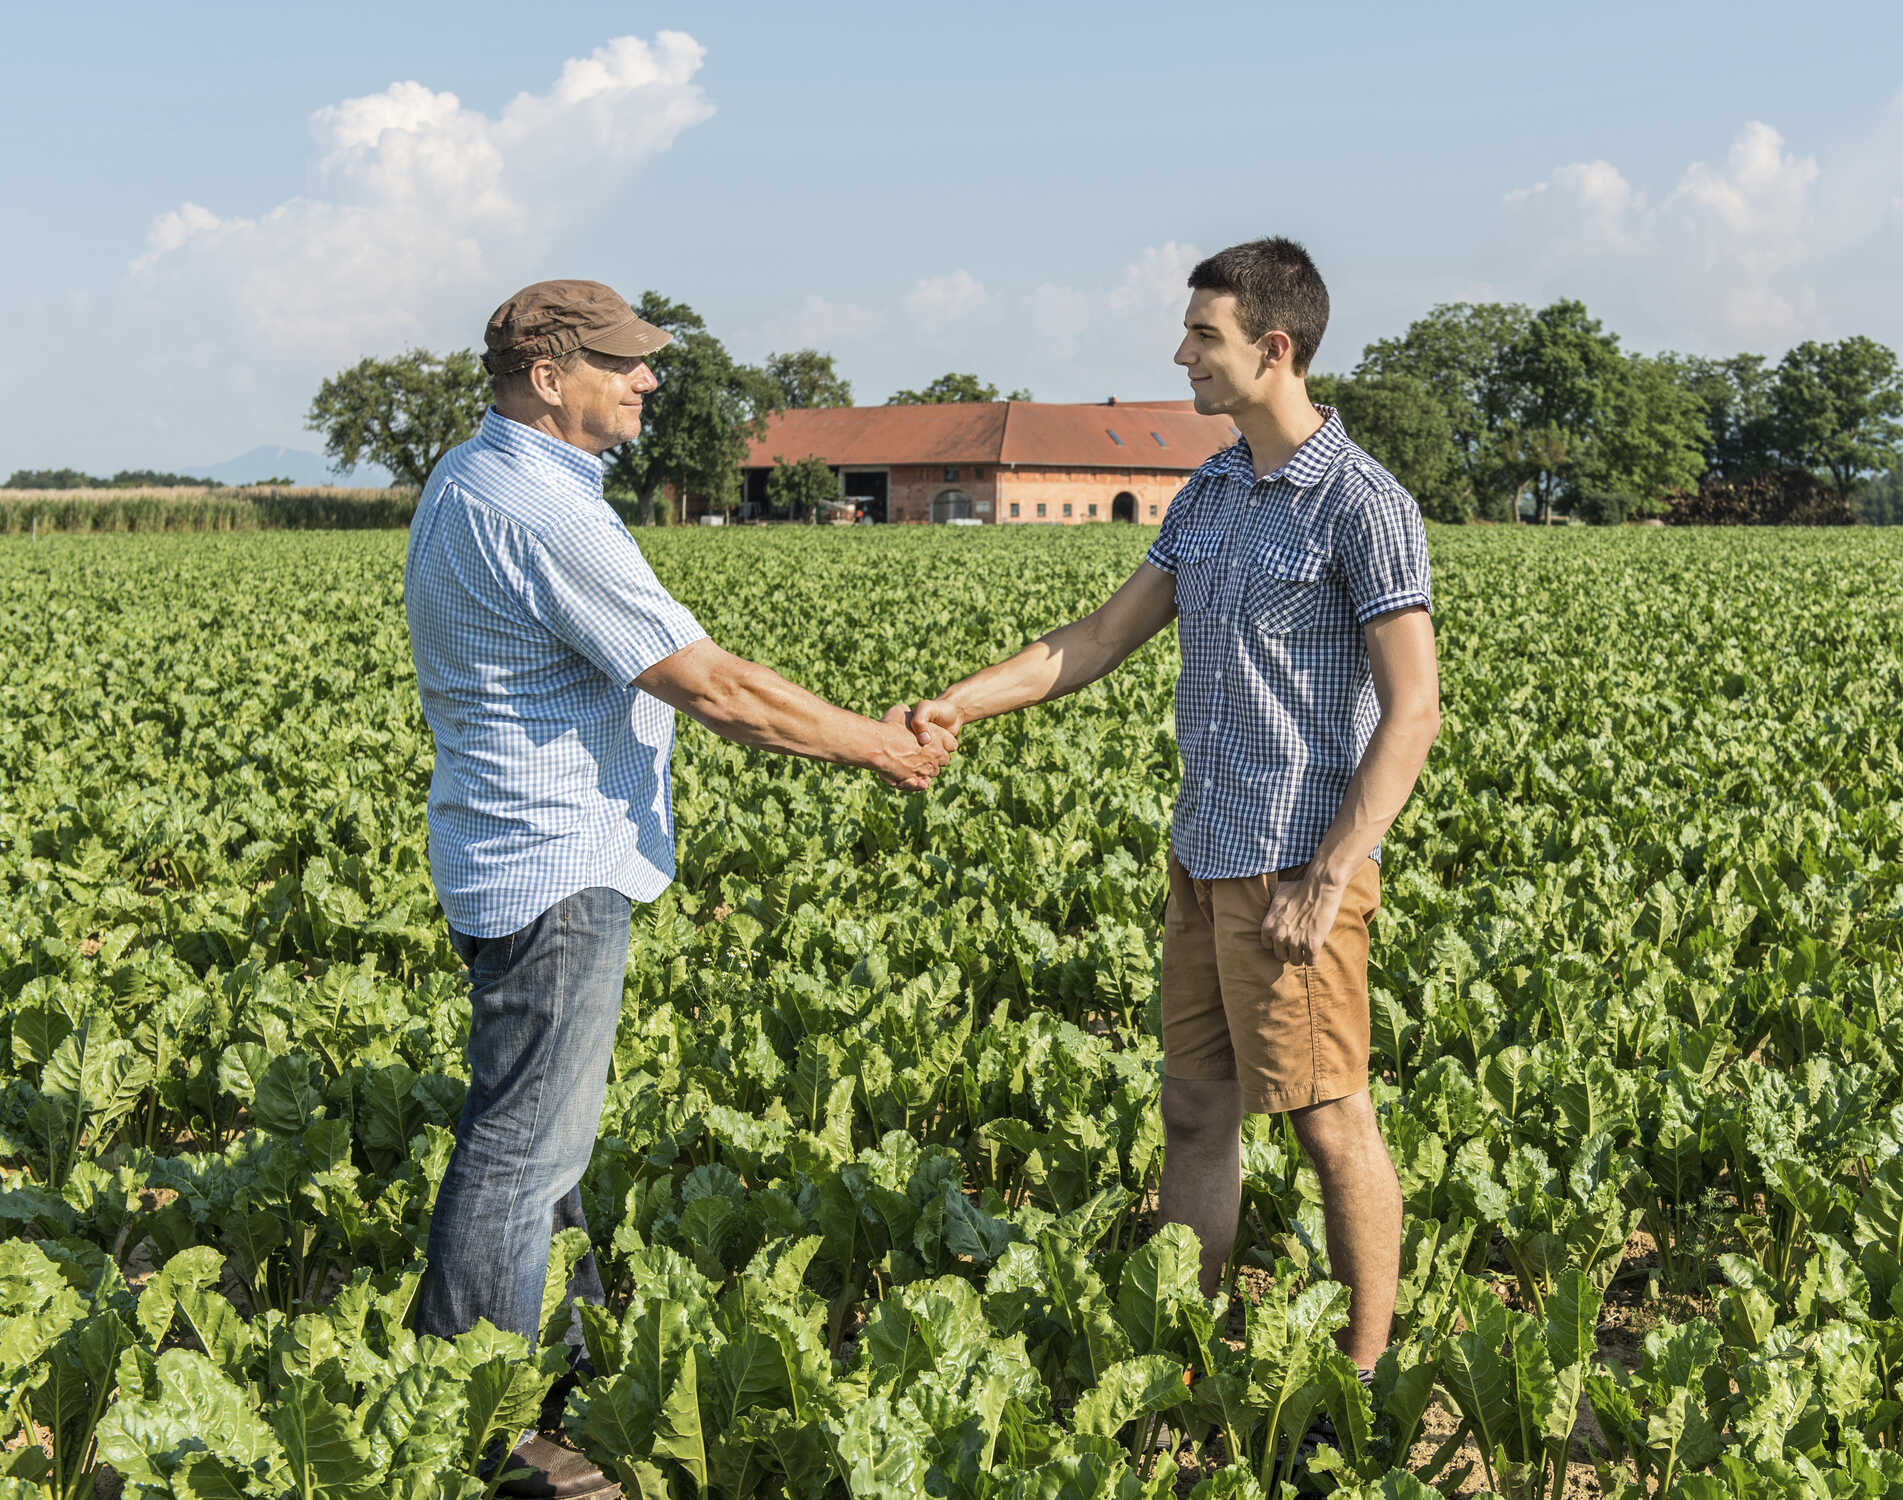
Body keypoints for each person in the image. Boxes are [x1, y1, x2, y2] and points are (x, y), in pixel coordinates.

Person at [404, 279, 951, 1498]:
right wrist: (879, 743)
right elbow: (710, 684)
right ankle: (479, 1432)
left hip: (511, 847)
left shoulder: (467, 476)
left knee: (544, 1145)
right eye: (623, 364)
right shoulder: (541, 509)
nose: (648, 380)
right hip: (554, 860)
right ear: (550, 378)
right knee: (518, 1157)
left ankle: (554, 1385)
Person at [910, 238, 1438, 1377]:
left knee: (1327, 1120)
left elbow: (1411, 713)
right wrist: (960, 702)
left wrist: (1332, 871)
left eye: (1202, 334)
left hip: (1295, 869)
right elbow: (1097, 638)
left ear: (1274, 347)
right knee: (1195, 1114)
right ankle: (1179, 1345)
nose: (1180, 353)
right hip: (1202, 856)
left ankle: (1360, 1380)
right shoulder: (1208, 489)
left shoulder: (1362, 505)